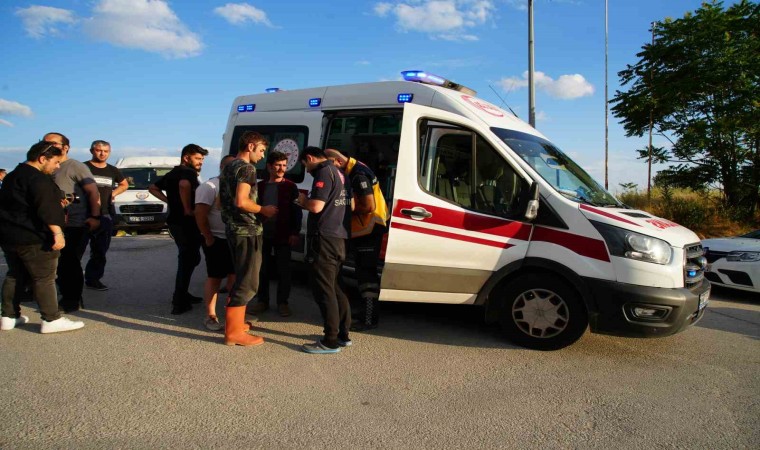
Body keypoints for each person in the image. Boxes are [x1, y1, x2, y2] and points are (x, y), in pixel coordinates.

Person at [0, 141, 84, 333]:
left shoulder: (12, 176)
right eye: (55, 162)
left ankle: (8, 316)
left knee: (15, 275)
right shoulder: (38, 179)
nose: (57, 166)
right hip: (35, 238)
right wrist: (58, 233)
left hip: (10, 236)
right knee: (44, 278)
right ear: (42, 159)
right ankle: (51, 319)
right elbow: (46, 209)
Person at [219, 131, 277, 347]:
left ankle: (235, 324)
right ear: (251, 146)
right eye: (261, 150)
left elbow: (221, 201)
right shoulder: (247, 168)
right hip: (247, 230)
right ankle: (233, 333)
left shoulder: (228, 167)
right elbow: (242, 201)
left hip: (233, 228)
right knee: (248, 282)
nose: (262, 156)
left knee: (241, 276)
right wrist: (264, 209)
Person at [295, 146, 352, 354]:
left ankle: (330, 341)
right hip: (339, 237)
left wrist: (303, 201)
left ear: (310, 158)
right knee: (336, 287)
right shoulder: (341, 173)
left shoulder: (323, 172)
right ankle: (343, 335)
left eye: (305, 165)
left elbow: (316, 206)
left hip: (324, 238)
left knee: (324, 290)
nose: (307, 170)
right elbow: (351, 205)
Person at [325, 149, 389, 331]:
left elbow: (368, 206)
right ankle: (364, 314)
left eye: (330, 166)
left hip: (368, 229)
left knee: (367, 276)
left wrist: (343, 209)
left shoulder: (358, 175)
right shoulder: (357, 167)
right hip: (369, 228)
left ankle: (369, 319)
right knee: (363, 273)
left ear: (338, 161)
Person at [148, 144, 208, 315]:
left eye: (202, 159)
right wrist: (187, 208)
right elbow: (183, 185)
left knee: (190, 258)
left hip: (175, 222)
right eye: (197, 158)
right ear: (186, 158)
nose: (200, 162)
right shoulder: (187, 173)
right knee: (188, 259)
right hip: (186, 223)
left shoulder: (173, 172)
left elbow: (153, 188)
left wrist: (171, 202)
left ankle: (183, 293)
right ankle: (179, 301)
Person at [45, 132, 101, 313]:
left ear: (66, 147)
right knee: (57, 263)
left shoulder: (75, 166)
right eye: (45, 143)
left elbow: (93, 192)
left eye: (53, 143)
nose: (48, 146)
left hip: (74, 223)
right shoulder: (46, 166)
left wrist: (95, 217)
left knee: (69, 262)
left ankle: (72, 299)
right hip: (52, 222)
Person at [249, 151, 302, 317]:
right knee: (262, 269)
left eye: (284, 165)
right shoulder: (260, 186)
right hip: (262, 234)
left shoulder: (290, 186)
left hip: (283, 234)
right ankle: (262, 301)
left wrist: (295, 232)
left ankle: (283, 303)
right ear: (269, 166)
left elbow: (297, 211)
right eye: (278, 165)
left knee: (284, 271)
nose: (281, 169)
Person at [195, 155, 236, 331]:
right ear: (222, 167)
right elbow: (200, 214)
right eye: (230, 167)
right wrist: (208, 237)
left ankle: (233, 316)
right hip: (216, 239)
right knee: (215, 278)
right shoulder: (209, 186)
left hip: (234, 239)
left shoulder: (237, 187)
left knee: (234, 277)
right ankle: (210, 316)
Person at [82, 140, 128, 291]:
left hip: (105, 214)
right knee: (76, 250)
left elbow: (124, 184)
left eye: (106, 151)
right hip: (83, 215)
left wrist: (113, 194)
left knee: (100, 251)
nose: (102, 154)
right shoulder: (83, 168)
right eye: (99, 150)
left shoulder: (113, 170)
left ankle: (93, 279)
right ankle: (68, 280)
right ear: (91, 151)